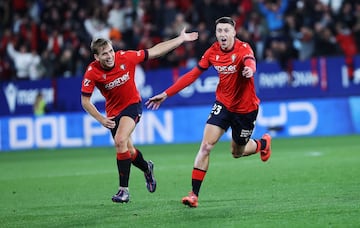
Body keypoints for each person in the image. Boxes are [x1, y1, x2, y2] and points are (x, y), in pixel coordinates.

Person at [146, 17, 272, 208]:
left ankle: (262, 143)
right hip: (223, 105)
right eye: (219, 31)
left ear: (234, 33)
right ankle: (193, 195)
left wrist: (249, 70)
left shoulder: (244, 48)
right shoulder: (212, 52)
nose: (222, 34)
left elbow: (250, 61)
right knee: (206, 146)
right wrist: (166, 94)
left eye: (226, 31)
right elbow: (191, 75)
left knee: (237, 152)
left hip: (246, 109)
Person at [81, 28, 198, 203]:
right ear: (97, 57)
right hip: (113, 113)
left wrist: (180, 39)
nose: (110, 56)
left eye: (111, 51)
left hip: (132, 106)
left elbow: (155, 51)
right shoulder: (92, 72)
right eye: (105, 54)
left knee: (120, 140)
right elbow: (85, 101)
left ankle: (123, 191)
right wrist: (101, 119)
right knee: (129, 151)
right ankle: (147, 168)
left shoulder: (126, 57)